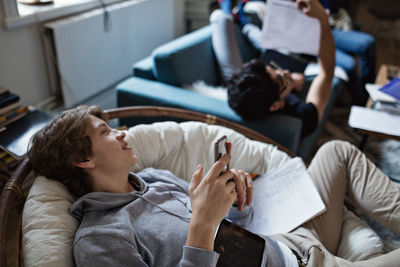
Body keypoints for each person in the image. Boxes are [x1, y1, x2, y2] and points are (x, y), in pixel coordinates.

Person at [28, 102, 400, 267]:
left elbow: (235, 230)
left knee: (336, 151)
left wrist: (236, 198)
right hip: (295, 264)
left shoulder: (151, 178)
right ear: (83, 160)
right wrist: (202, 225)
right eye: (106, 133)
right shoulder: (100, 241)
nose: (124, 134)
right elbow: (207, 238)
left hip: (289, 241)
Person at [211, 0, 335, 138]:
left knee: (219, 17)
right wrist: (322, 19)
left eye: (273, 70)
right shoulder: (305, 116)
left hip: (247, 85)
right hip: (288, 58)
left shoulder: (243, 96)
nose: (285, 72)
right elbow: (327, 73)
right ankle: (247, 26)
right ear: (275, 106)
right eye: (281, 79)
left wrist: (289, 82)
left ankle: (245, 24)